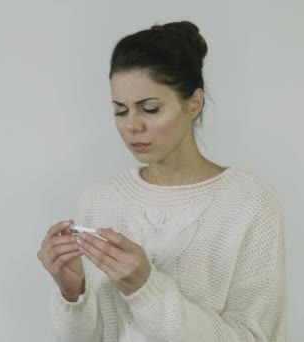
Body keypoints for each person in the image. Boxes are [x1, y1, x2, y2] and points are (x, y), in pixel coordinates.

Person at [37, 20, 286, 342]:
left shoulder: (249, 201)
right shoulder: (99, 200)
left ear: (194, 104)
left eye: (150, 109)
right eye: (120, 111)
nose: (132, 126)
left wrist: (145, 288)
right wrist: (72, 293)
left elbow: (255, 337)